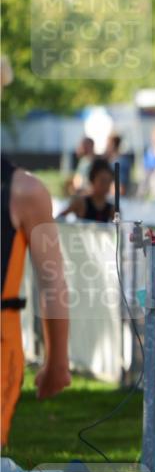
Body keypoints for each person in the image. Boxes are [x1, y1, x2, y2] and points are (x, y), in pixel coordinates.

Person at [2, 154, 71, 447]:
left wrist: (57, 361)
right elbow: (52, 283)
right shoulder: (24, 191)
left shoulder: (23, 192)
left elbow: (51, 282)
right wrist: (57, 363)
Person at [57, 158, 114, 222]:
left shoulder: (112, 209)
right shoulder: (81, 203)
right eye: (102, 181)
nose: (105, 186)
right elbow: (60, 218)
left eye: (108, 182)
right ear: (92, 180)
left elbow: (120, 228)